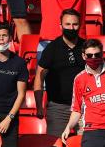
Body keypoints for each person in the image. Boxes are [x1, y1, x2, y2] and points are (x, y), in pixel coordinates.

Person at [35, 9, 87, 137]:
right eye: (67, 24)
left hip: (84, 107)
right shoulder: (51, 49)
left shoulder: (86, 47)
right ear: (61, 26)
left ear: (80, 25)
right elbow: (39, 77)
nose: (71, 27)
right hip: (58, 109)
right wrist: (39, 106)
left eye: (75, 24)